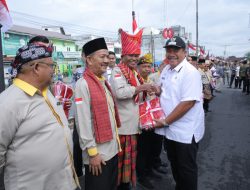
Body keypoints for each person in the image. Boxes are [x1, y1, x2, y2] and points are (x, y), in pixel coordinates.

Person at [0, 42, 79, 190]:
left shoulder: (45, 91)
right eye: (51, 65)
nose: (53, 71)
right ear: (36, 68)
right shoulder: (8, 102)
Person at [154, 36, 205, 190]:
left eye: (176, 50)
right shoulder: (167, 70)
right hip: (170, 131)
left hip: (185, 132)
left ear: (184, 52)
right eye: (169, 50)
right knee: (175, 166)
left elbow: (188, 103)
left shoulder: (190, 72)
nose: (171, 53)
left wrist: (165, 121)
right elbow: (165, 92)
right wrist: (158, 91)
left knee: (186, 170)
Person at [110, 29, 155, 190]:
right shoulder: (117, 71)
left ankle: (125, 185)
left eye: (136, 56)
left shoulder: (134, 73)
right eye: (131, 56)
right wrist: (141, 87)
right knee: (123, 163)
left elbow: (138, 97)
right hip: (124, 127)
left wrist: (146, 91)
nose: (135, 59)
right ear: (123, 56)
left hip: (134, 125)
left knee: (130, 162)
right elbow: (120, 93)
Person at [74, 38, 121, 190]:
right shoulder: (83, 84)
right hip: (98, 156)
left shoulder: (102, 81)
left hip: (112, 151)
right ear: (89, 59)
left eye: (108, 56)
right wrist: (93, 154)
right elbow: (83, 122)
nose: (106, 60)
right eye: (102, 56)